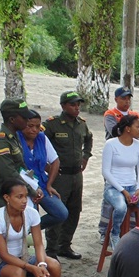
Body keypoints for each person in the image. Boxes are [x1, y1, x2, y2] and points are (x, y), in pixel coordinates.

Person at [43, 91, 92, 260]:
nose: (77, 107)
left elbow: (89, 139)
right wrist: (47, 166)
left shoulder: (81, 124)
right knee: (58, 211)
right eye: (73, 104)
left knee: (74, 210)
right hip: (60, 175)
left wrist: (86, 156)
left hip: (76, 175)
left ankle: (65, 245)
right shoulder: (52, 125)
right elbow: (39, 143)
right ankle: (51, 250)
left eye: (78, 104)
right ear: (63, 106)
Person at [98, 86, 139, 239]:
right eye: (123, 98)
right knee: (111, 198)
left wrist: (132, 129)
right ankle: (105, 230)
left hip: (132, 158)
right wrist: (128, 131)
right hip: (114, 159)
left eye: (128, 98)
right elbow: (115, 132)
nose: (126, 101)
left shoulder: (135, 115)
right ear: (116, 99)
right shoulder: (110, 114)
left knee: (134, 198)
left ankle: (130, 228)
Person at [101, 114, 139, 249]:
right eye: (138, 127)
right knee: (121, 207)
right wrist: (123, 191)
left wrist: (138, 189)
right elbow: (106, 172)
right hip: (113, 188)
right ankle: (115, 234)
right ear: (127, 129)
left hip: (132, 186)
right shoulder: (111, 144)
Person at [18, 109, 69, 230]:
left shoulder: (42, 138)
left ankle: (30, 230)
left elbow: (55, 161)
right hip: (22, 185)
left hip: (42, 183)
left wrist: (49, 184)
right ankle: (25, 231)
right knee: (29, 214)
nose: (34, 130)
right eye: (30, 126)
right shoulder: (16, 139)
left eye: (37, 126)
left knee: (61, 213)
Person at [0, 98, 35, 210]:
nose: (27, 120)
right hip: (8, 200)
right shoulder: (1, 143)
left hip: (20, 193)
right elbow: (9, 174)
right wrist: (31, 191)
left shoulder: (14, 136)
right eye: (24, 117)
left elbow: (21, 166)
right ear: (12, 119)